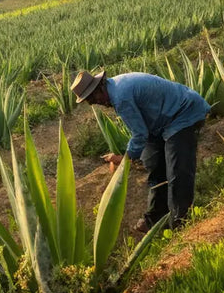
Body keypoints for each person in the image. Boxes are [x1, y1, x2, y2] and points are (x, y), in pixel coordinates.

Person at [70, 69, 210, 230]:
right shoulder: (115, 88)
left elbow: (139, 134)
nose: (95, 103)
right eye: (90, 101)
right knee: (153, 163)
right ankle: (156, 218)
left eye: (94, 98)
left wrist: (125, 158)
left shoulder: (121, 97)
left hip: (184, 113)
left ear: (100, 87)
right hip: (160, 122)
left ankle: (180, 224)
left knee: (177, 172)